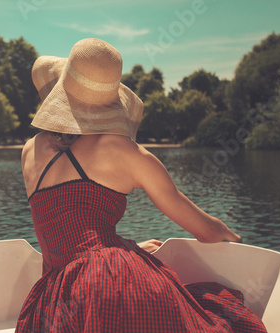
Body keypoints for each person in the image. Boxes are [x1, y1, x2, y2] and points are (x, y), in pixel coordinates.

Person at [16, 38, 267, 332]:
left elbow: (71, 237)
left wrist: (125, 249)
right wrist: (229, 235)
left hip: (54, 298)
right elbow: (205, 230)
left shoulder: (30, 150)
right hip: (109, 284)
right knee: (222, 317)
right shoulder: (121, 150)